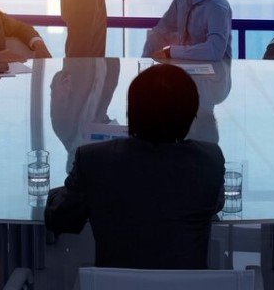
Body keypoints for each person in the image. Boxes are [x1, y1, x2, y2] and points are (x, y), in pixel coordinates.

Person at [45, 63, 224, 269]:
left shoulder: (95, 160)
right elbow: (215, 205)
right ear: (192, 117)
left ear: (131, 114)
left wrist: (74, 188)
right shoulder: (209, 161)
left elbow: (61, 218)